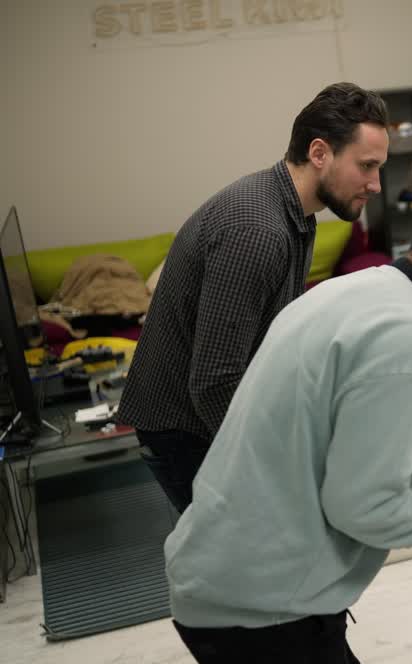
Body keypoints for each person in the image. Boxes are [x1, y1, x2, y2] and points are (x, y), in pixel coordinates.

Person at [163, 138, 412, 664]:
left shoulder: (360, 290)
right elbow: (363, 502)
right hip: (258, 608)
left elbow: (359, 467)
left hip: (238, 582)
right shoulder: (409, 338)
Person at [117, 82, 390, 513]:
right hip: (186, 431)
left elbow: (270, 334)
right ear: (320, 154)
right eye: (367, 166)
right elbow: (215, 381)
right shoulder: (258, 230)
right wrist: (284, 460)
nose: (375, 184)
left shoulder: (294, 214)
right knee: (240, 571)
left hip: (201, 418)